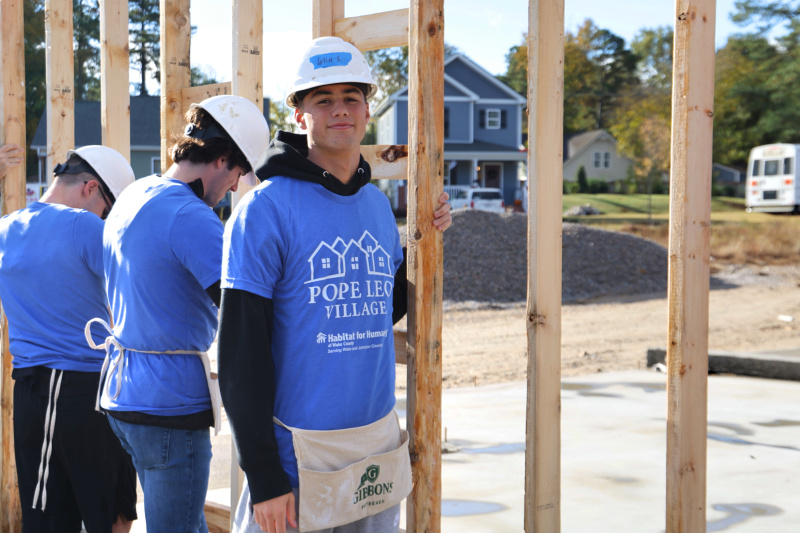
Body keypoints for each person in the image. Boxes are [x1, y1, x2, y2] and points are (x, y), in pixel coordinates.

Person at [218, 36, 452, 533]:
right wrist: (263, 475)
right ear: (300, 115)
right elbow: (240, 353)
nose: (340, 110)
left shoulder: (374, 206)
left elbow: (378, 308)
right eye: (323, 99)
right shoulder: (265, 210)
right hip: (297, 458)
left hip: (373, 450)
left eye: (351, 97)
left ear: (368, 109)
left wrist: (424, 240)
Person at [87, 95, 269, 533]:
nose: (233, 187)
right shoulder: (190, 216)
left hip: (122, 396)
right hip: (168, 408)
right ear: (222, 159)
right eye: (238, 174)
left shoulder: (135, 194)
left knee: (184, 521)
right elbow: (241, 311)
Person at [0, 145, 137, 533]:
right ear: (90, 187)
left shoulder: (5, 230)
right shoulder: (84, 226)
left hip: (41, 396)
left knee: (51, 520)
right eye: (107, 208)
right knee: (114, 512)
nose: (106, 219)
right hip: (85, 389)